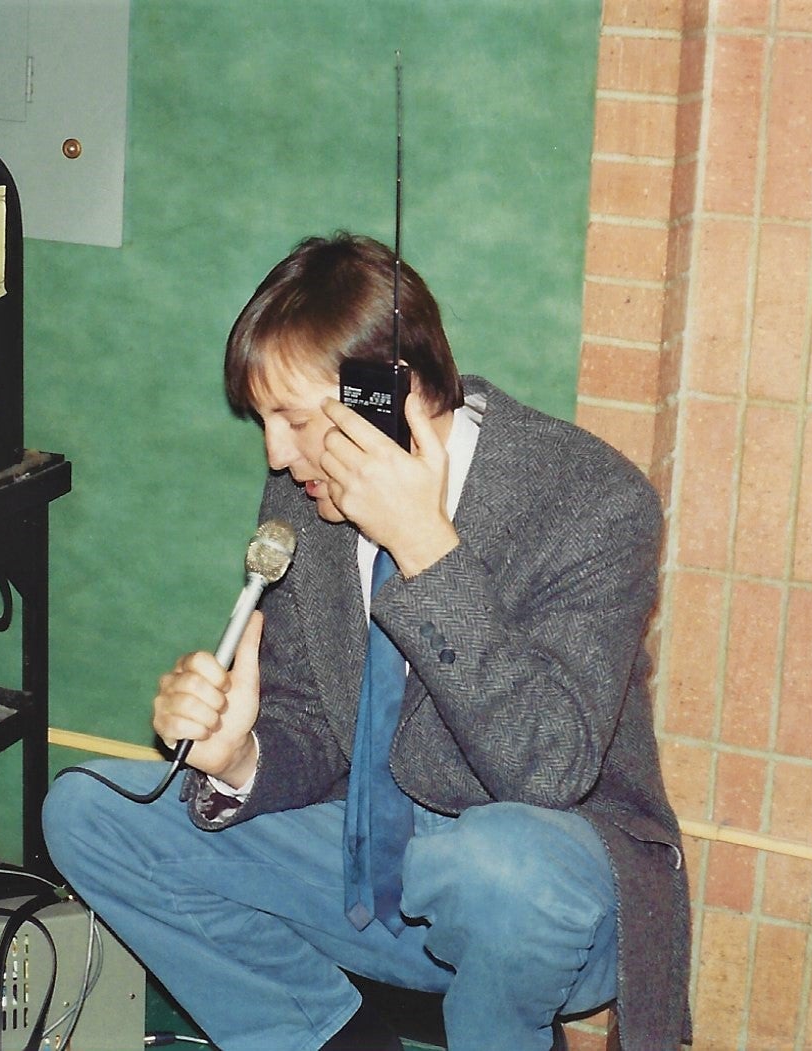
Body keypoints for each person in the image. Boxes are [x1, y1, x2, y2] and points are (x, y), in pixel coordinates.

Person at [42, 233, 691, 1051]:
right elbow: (312, 720)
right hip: (371, 865)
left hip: (552, 893)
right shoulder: (301, 493)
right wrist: (239, 755)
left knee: (496, 864)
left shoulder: (590, 497)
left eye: (296, 419)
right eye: (264, 422)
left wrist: (426, 547)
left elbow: (550, 767)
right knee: (88, 811)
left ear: (396, 397)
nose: (277, 454)